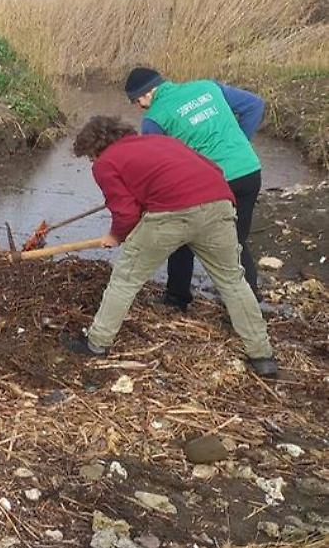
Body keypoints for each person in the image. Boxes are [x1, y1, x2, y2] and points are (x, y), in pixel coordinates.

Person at [65, 116, 277, 377]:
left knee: (125, 280)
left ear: (96, 148)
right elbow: (213, 170)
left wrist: (115, 236)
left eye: (89, 157)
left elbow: (126, 213)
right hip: (218, 203)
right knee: (232, 281)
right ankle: (262, 355)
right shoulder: (161, 141)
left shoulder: (105, 163)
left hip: (171, 214)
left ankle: (96, 343)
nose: (92, 162)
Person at [125, 67, 266, 311]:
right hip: (249, 171)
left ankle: (176, 298)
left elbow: (154, 165)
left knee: (183, 234)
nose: (139, 106)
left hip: (213, 183)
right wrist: (239, 142)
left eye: (137, 100)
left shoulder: (154, 118)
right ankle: (250, 304)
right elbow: (255, 105)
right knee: (236, 241)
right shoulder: (207, 87)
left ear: (148, 93)